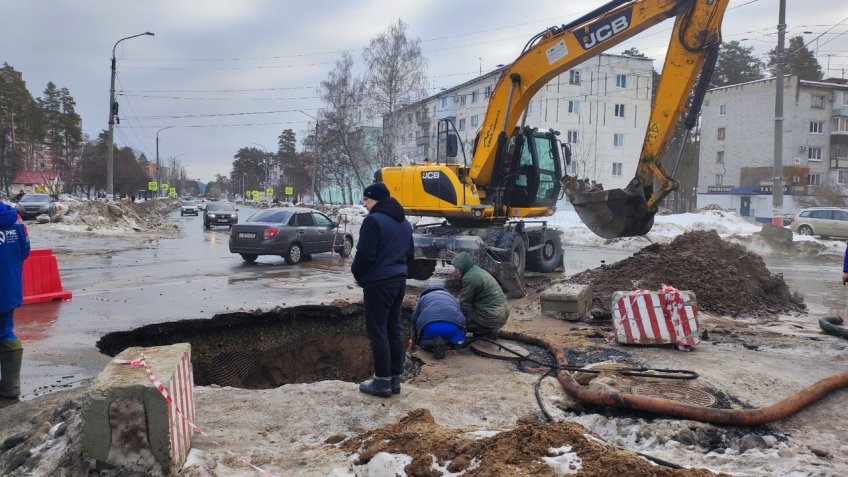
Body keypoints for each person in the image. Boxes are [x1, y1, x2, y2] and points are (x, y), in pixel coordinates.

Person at [351, 182, 414, 398]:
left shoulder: (373, 221)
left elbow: (365, 256)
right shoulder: (404, 223)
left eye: (366, 200)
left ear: (375, 199)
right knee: (394, 328)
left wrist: (359, 275)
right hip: (399, 281)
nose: (365, 205)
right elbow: (410, 256)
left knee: (378, 331)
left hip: (379, 283)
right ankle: (394, 379)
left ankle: (382, 382)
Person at [0, 202, 30, 402]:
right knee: (5, 331)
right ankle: (10, 386)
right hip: (8, 288)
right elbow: (24, 250)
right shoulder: (16, 220)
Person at [451, 251, 510, 338]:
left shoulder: (469, 278)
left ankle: (487, 330)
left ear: (463, 266)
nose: (454, 271)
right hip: (501, 314)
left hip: (493, 316)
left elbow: (464, 304)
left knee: (456, 321)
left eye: (456, 268)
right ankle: (489, 329)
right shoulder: (476, 270)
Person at [411, 285, 466, 359]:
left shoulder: (424, 298)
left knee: (422, 344)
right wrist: (463, 335)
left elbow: (414, 319)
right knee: (456, 340)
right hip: (453, 327)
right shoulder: (453, 298)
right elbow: (461, 316)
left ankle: (433, 342)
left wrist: (414, 341)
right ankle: (450, 343)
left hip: (431, 327)